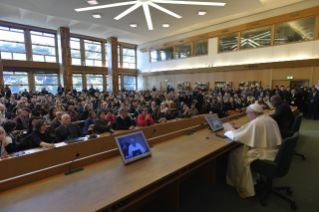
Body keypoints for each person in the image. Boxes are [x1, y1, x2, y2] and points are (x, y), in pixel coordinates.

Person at [224, 103, 282, 198]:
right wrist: (242, 128)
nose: (247, 116)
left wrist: (228, 132)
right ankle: (254, 179)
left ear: (254, 114)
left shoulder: (256, 123)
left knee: (236, 154)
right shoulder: (267, 118)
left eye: (248, 114)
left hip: (264, 152)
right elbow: (255, 130)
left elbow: (237, 137)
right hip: (274, 150)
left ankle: (242, 186)